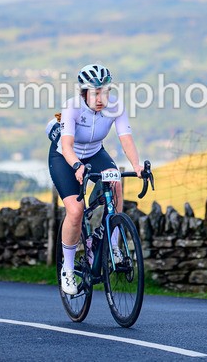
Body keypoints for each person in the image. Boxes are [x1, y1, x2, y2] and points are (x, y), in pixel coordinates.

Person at [47, 63, 143, 295]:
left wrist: (137, 165)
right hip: (64, 157)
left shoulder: (116, 107)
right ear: (84, 93)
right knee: (76, 210)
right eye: (95, 92)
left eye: (105, 91)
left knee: (116, 183)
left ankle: (113, 244)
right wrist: (77, 165)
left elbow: (126, 138)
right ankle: (67, 269)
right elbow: (67, 145)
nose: (101, 98)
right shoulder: (72, 108)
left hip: (94, 153)